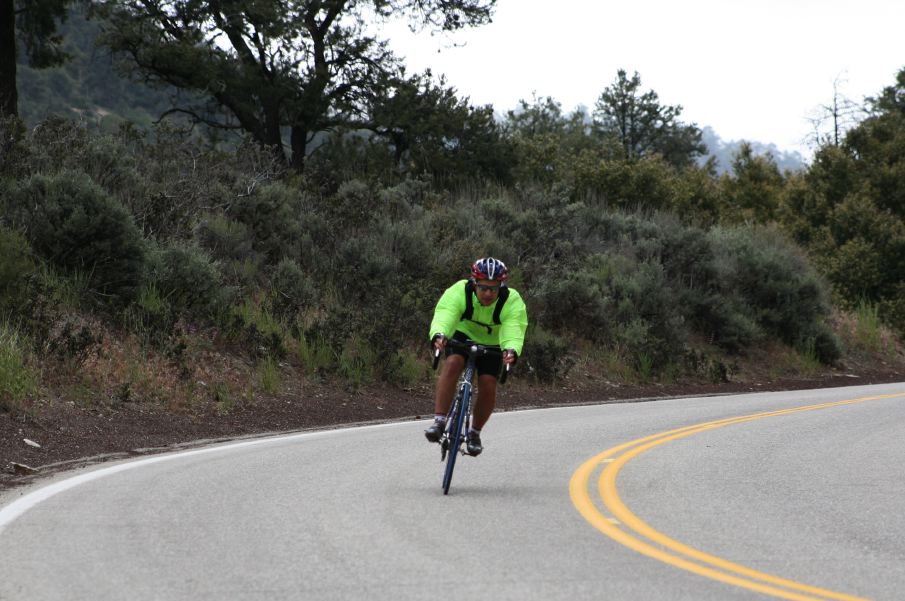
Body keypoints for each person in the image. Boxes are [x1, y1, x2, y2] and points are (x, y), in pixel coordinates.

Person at [425, 257, 528, 456]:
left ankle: (474, 433)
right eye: (483, 288)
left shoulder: (511, 300)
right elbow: (446, 313)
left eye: (494, 289)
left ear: (501, 286)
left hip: (493, 342)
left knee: (488, 382)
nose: (488, 293)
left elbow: (513, 327)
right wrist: (439, 334)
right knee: (453, 362)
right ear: (474, 284)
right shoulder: (460, 290)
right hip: (463, 335)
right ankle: (439, 422)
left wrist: (511, 350)